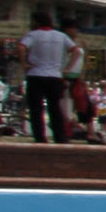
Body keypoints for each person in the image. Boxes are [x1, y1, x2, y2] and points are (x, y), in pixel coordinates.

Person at [15, 10, 75, 144]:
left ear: (36, 22)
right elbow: (75, 50)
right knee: (55, 108)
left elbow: (21, 47)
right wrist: (67, 68)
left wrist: (24, 63)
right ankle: (60, 137)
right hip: (55, 76)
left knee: (36, 109)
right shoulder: (61, 36)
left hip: (36, 74)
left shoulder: (33, 35)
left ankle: (40, 137)